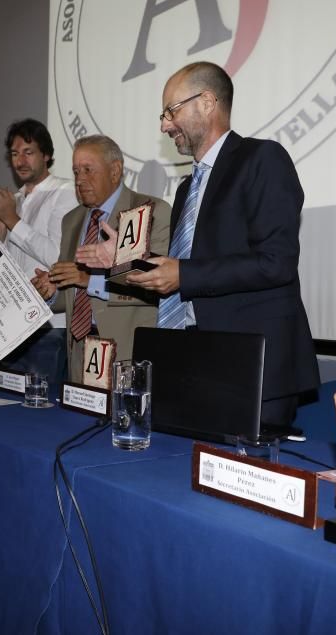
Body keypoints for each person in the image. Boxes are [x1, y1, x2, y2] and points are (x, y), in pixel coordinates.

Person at [78, 62, 318, 426]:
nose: (164, 125)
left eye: (170, 111)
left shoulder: (262, 159)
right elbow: (182, 272)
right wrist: (127, 263)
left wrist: (183, 274)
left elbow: (276, 262)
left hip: (255, 367)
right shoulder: (187, 187)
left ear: (207, 102)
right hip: (195, 359)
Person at [32, 135, 170, 382]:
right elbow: (74, 297)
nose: (80, 180)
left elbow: (154, 287)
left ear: (115, 171)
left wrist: (90, 280)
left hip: (127, 354)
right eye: (75, 171)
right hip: (79, 353)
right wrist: (52, 288)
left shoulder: (148, 212)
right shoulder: (72, 220)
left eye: (88, 170)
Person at [0, 118, 78, 387]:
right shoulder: (15, 200)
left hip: (48, 326)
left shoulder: (65, 192)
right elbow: (3, 267)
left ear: (46, 155)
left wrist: (12, 221)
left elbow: (59, 257)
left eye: (28, 152)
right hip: (11, 324)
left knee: (43, 414)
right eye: (14, 153)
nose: (20, 160)